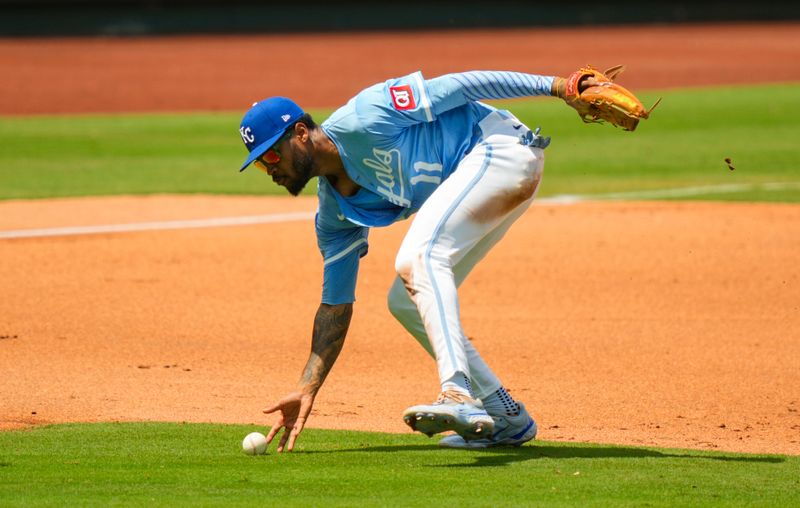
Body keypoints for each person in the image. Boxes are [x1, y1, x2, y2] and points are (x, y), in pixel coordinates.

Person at [238, 69, 595, 452]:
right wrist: (305, 388)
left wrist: (557, 87)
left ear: (301, 134)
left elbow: (462, 86)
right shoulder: (333, 214)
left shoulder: (365, 115)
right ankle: (505, 416)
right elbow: (336, 305)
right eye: (261, 164)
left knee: (420, 256)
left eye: (272, 154)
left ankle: (458, 393)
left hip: (500, 146)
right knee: (403, 300)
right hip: (489, 175)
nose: (270, 168)